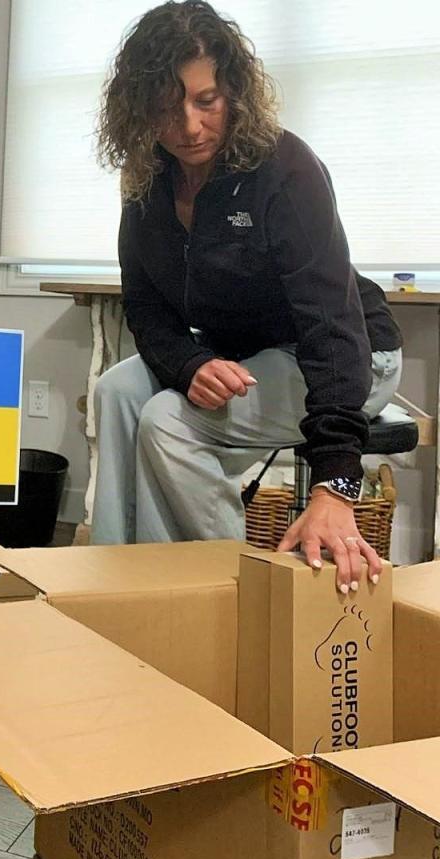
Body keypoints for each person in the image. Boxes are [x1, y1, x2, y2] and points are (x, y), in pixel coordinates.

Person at [92, 0, 402, 595]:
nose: (188, 126)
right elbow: (146, 306)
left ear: (234, 91)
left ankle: (225, 593)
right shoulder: (147, 180)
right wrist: (189, 364)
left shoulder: (285, 168)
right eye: (165, 107)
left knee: (169, 421)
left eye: (205, 101)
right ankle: (115, 585)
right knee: (116, 391)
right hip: (247, 354)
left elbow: (332, 322)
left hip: (348, 355)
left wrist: (338, 481)